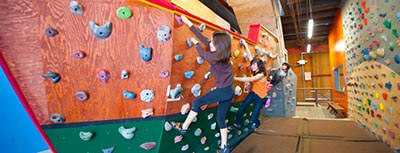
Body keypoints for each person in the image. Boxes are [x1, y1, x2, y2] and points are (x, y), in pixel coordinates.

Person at [171, 15, 234, 153]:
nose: (209, 43)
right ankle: (224, 147)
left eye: (212, 42)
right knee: (220, 118)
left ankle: (184, 127)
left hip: (223, 90)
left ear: (218, 46)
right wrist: (188, 22)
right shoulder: (222, 55)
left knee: (197, 102)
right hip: (229, 90)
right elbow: (204, 38)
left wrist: (196, 44)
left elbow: (203, 53)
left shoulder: (214, 58)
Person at [230, 41, 273, 131]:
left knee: (253, 118)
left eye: (254, 65)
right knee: (242, 108)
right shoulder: (255, 68)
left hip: (260, 97)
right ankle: (236, 123)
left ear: (259, 66)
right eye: (252, 64)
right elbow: (250, 56)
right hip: (253, 93)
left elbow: (249, 80)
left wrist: (235, 78)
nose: (252, 66)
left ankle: (257, 123)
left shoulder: (261, 74)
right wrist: (245, 45)